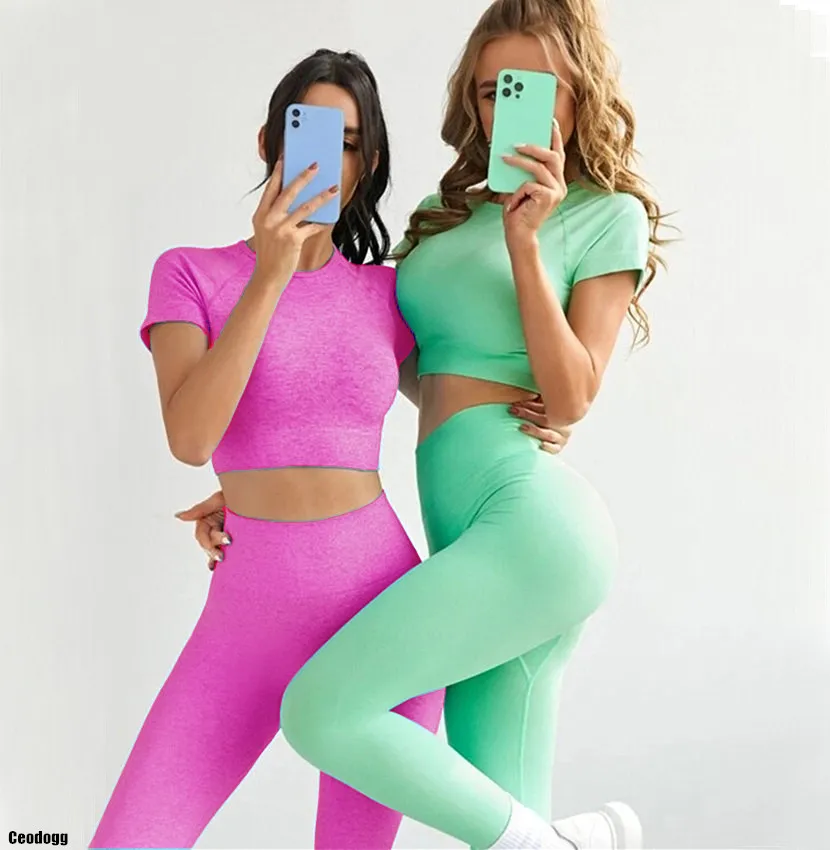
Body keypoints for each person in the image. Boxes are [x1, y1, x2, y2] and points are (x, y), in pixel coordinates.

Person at [89, 48, 569, 850]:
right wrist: (270, 275)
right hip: (244, 623)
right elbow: (192, 437)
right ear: (268, 143)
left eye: (347, 144)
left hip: (382, 618)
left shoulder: (388, 292)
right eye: (305, 132)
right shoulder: (190, 276)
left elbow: (452, 399)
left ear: (367, 163)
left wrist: (545, 417)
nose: (325, 159)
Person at [267, 2, 670, 849]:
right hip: (465, 531)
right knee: (502, 820)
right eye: (492, 92)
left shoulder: (606, 216)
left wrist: (527, 241)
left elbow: (571, 396)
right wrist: (257, 470)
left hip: (531, 531)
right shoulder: (442, 214)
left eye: (537, 88)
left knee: (321, 710)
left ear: (579, 94)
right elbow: (383, 361)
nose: (507, 109)